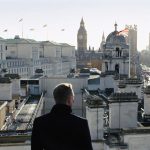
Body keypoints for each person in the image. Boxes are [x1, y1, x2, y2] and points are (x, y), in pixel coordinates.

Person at [31, 83, 93, 150]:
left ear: (55, 98)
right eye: (73, 98)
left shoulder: (39, 122)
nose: (73, 101)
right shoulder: (81, 124)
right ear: (69, 100)